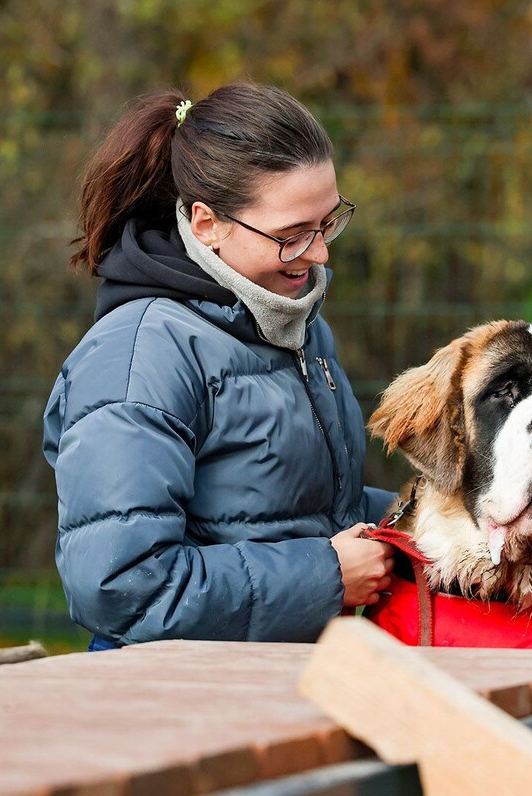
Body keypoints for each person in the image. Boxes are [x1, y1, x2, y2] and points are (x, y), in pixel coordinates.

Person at [42, 82, 396, 650]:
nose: (321, 252)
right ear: (206, 224)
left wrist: (426, 519)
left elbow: (295, 513)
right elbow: (122, 586)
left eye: (328, 223)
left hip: (283, 684)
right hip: (177, 707)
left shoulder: (289, 321)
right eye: (291, 235)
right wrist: (327, 575)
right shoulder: (140, 356)